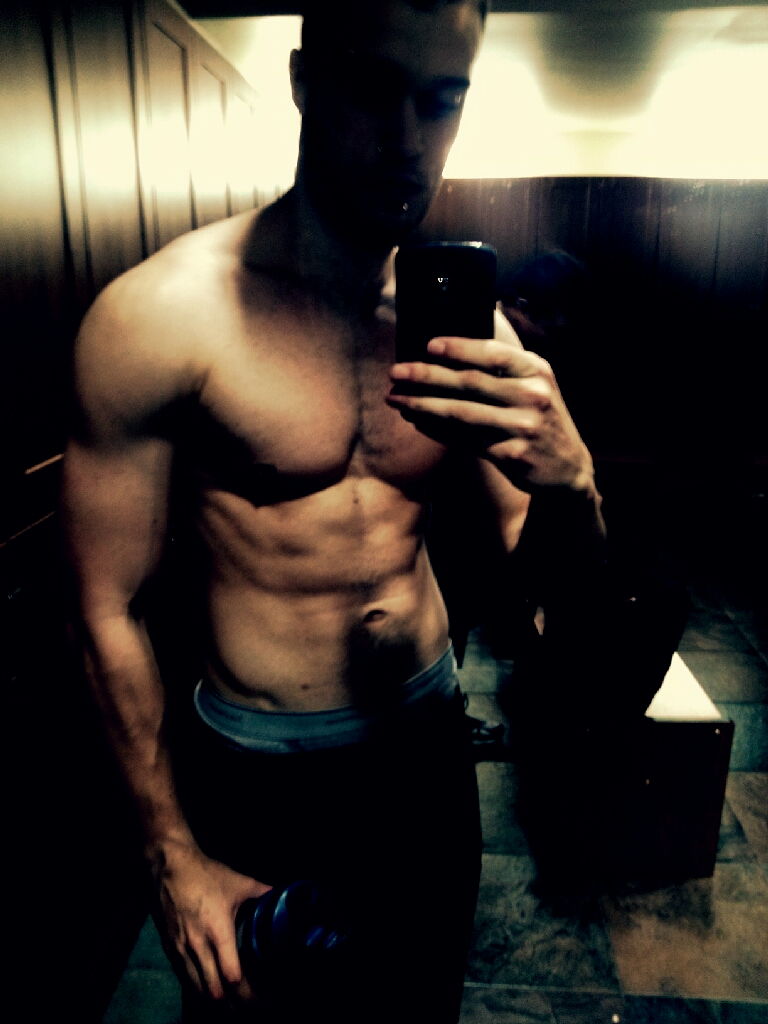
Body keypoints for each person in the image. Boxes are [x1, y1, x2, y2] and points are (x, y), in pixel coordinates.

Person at [61, 1, 605, 1020]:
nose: (407, 140)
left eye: (441, 100)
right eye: (373, 90)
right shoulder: (160, 317)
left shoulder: (469, 332)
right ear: (306, 83)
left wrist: (574, 486)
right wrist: (171, 857)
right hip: (260, 778)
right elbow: (105, 609)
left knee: (418, 1004)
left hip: (426, 754)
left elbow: (540, 577)